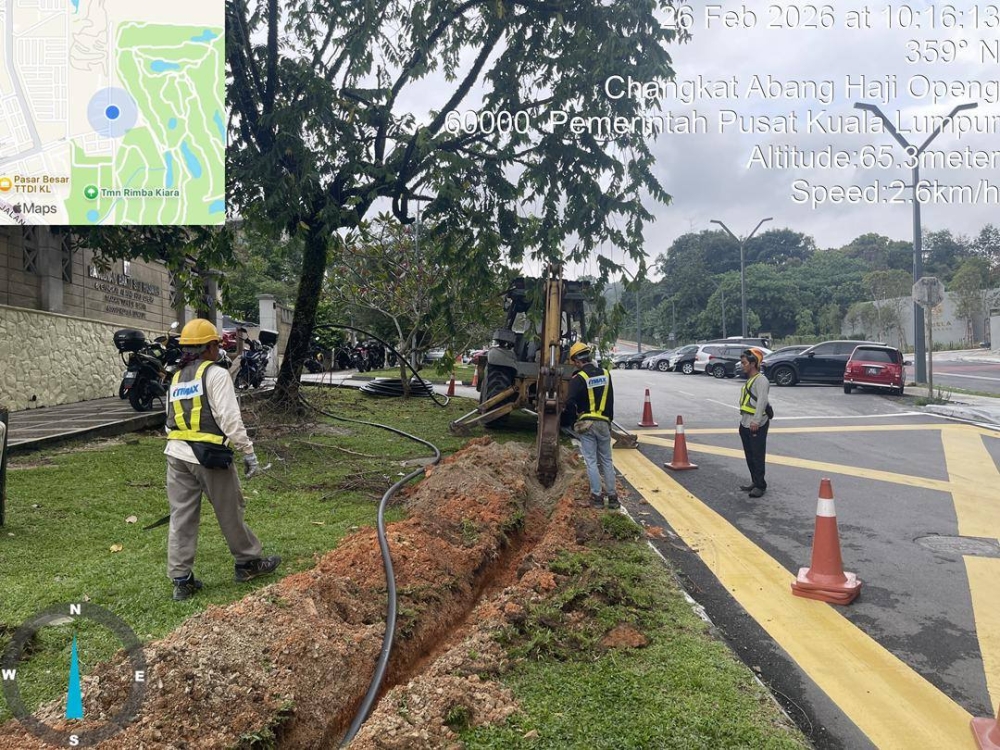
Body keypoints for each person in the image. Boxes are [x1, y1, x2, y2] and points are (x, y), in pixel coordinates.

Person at [164, 318, 281, 601]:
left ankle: (182, 579)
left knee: (181, 516)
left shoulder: (177, 378)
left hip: (176, 454)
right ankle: (248, 563)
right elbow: (230, 418)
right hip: (210, 456)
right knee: (230, 510)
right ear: (210, 346)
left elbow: (167, 422)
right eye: (216, 344)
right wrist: (248, 452)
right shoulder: (215, 375)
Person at [562, 342, 619, 509]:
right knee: (607, 460)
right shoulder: (606, 374)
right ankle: (613, 497)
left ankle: (596, 497)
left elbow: (570, 402)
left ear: (576, 361)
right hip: (604, 422)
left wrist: (573, 421)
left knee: (591, 461)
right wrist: (608, 422)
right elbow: (611, 400)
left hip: (587, 424)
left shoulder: (579, 378)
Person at [738, 348, 771, 498]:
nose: (741, 365)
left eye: (744, 362)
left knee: (757, 455)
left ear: (753, 364)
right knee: (749, 455)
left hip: (756, 423)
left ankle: (760, 485)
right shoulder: (750, 379)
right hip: (745, 422)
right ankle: (754, 481)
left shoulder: (761, 381)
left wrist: (756, 420)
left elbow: (762, 402)